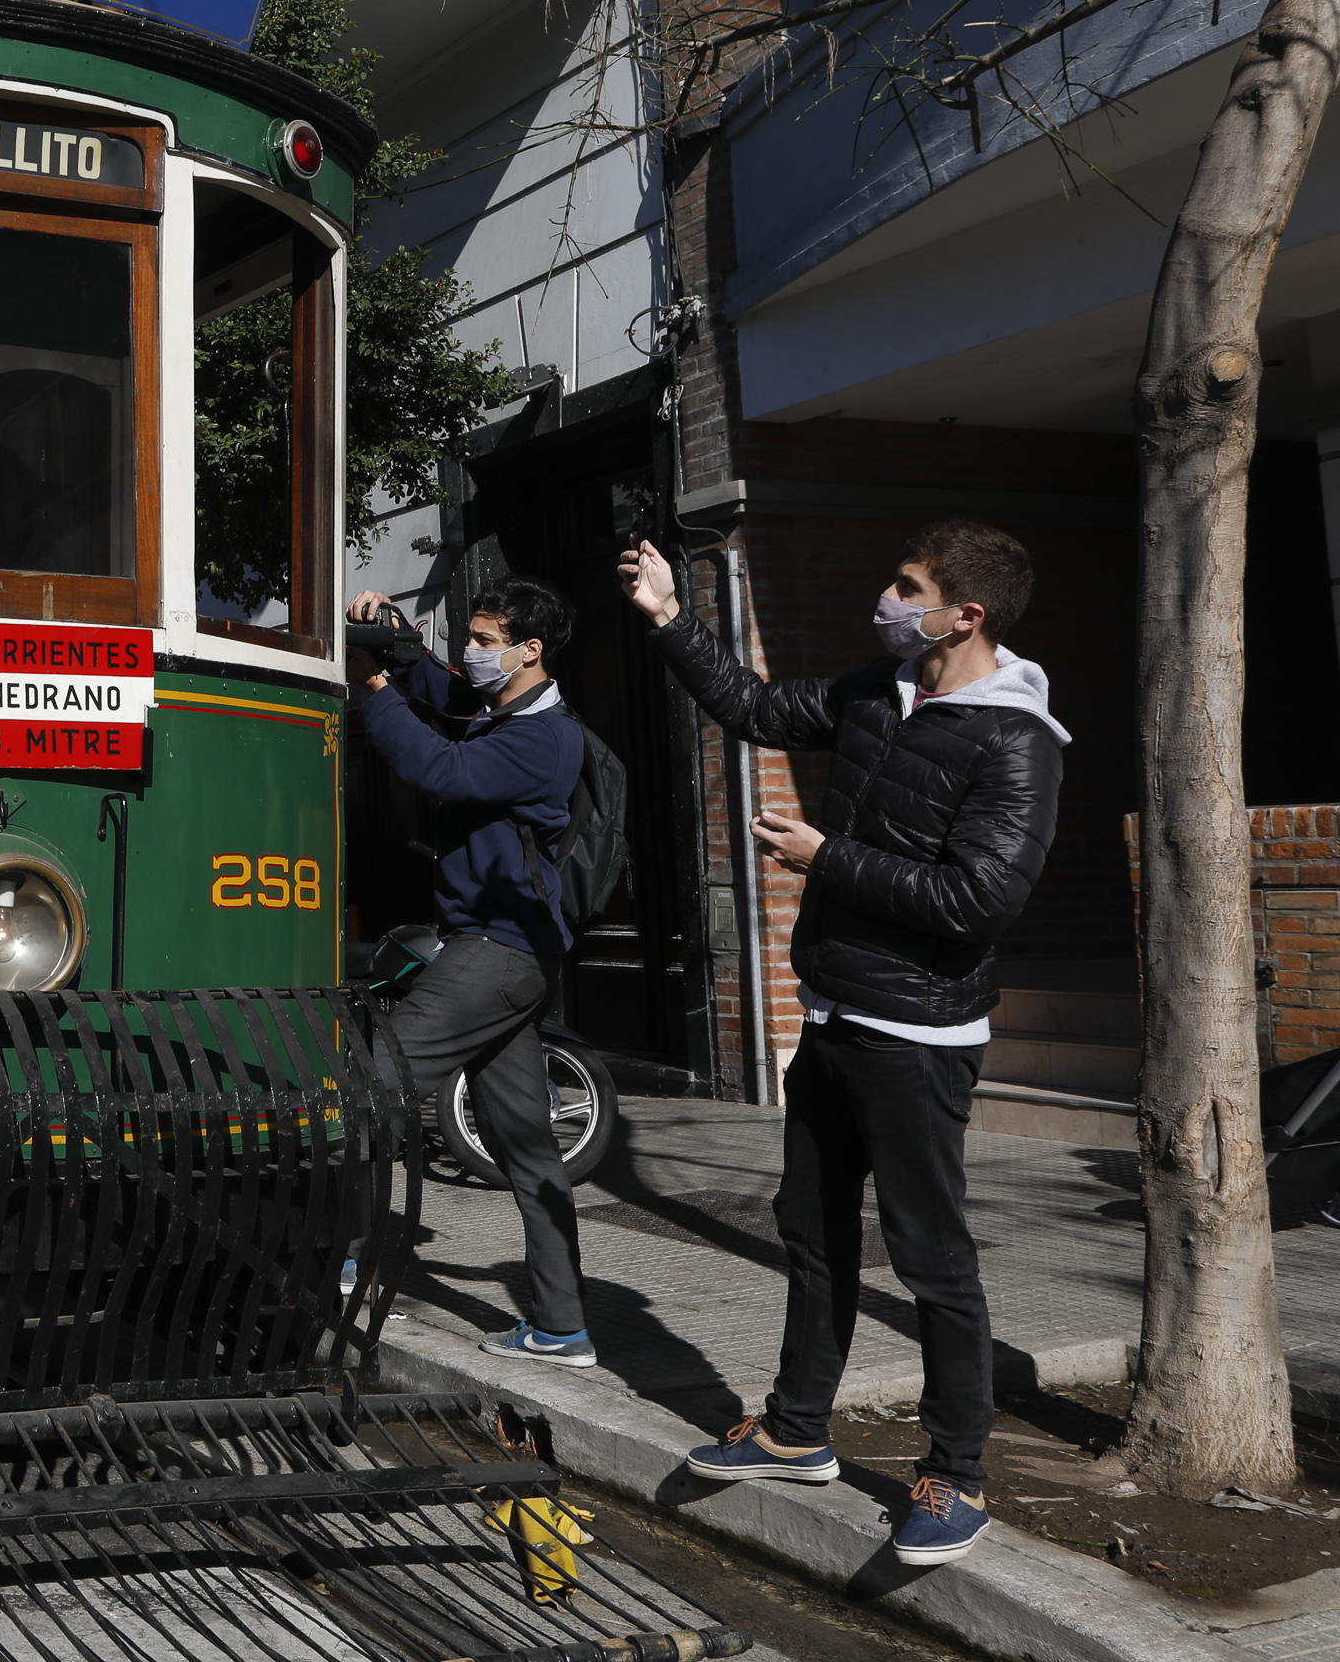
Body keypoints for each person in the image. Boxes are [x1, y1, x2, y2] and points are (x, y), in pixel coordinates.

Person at [622, 521, 1064, 1569]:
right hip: (834, 1014)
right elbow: (759, 707)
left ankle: (955, 1475)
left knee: (930, 1258)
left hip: (918, 1033)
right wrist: (672, 617)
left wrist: (830, 857)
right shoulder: (883, 686)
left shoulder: (1017, 739)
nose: (887, 596)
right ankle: (795, 1429)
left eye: (908, 587)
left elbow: (979, 901)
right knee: (810, 1229)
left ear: (970, 614)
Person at [348, 577, 594, 1368]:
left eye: (487, 640)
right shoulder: (507, 713)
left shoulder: (545, 738)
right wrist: (392, 638)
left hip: (492, 955)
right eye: (472, 637)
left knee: (364, 1083)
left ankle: (339, 1261)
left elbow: (440, 769)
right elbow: (444, 691)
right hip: (511, 955)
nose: (473, 653)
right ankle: (561, 1329)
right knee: (526, 1145)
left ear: (531, 650)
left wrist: (375, 690)